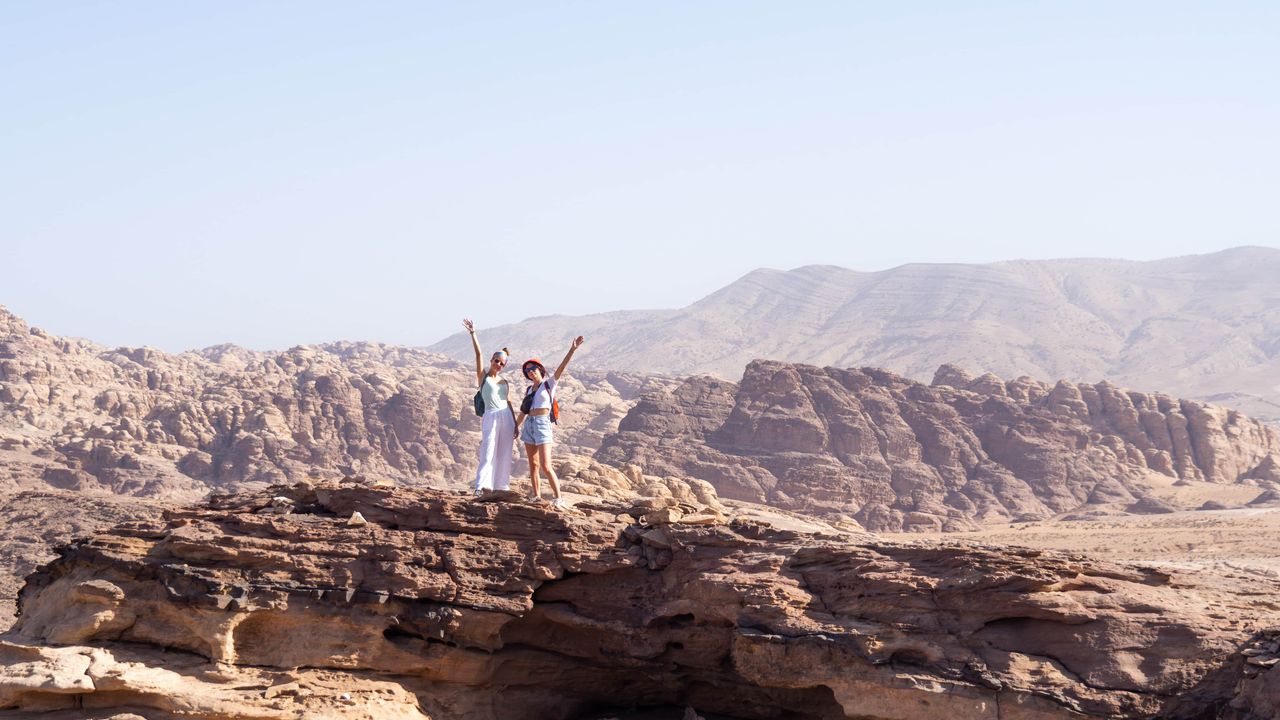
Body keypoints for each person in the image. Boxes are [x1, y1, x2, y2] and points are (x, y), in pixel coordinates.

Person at [516, 335, 584, 507]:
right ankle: (536, 496)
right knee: (533, 465)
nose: (530, 372)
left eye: (533, 369)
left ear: (540, 370)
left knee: (546, 465)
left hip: (542, 423)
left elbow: (562, 367)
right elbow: (523, 411)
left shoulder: (549, 384)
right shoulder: (528, 390)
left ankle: (558, 498)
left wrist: (572, 349)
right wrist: (515, 427)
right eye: (527, 371)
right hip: (529, 425)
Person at [463, 318, 516, 496]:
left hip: (506, 417)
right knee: (488, 450)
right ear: (492, 360)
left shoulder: (504, 381)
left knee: (504, 452)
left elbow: (508, 402)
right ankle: (481, 486)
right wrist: (473, 333)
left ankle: (501, 486)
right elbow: (478, 355)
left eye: (502, 363)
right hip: (491, 415)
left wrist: (515, 423)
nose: (498, 364)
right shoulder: (483, 377)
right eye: (496, 360)